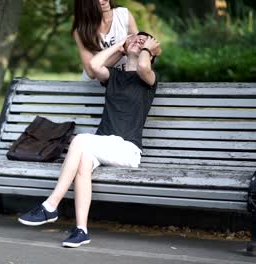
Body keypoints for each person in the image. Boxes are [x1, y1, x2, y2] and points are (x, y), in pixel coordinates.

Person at [18, 32, 162, 248]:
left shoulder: (148, 78)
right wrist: (119, 47)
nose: (137, 42)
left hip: (127, 149)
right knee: (83, 162)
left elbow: (142, 66)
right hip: (103, 145)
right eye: (133, 38)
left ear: (149, 53)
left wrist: (147, 49)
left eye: (143, 41)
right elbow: (94, 65)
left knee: (80, 141)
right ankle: (81, 230)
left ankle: (50, 205)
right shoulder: (114, 76)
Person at [72, 0, 139, 81]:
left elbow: (139, 49)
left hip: (122, 82)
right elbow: (91, 72)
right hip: (94, 86)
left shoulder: (123, 15)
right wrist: (121, 50)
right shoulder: (81, 31)